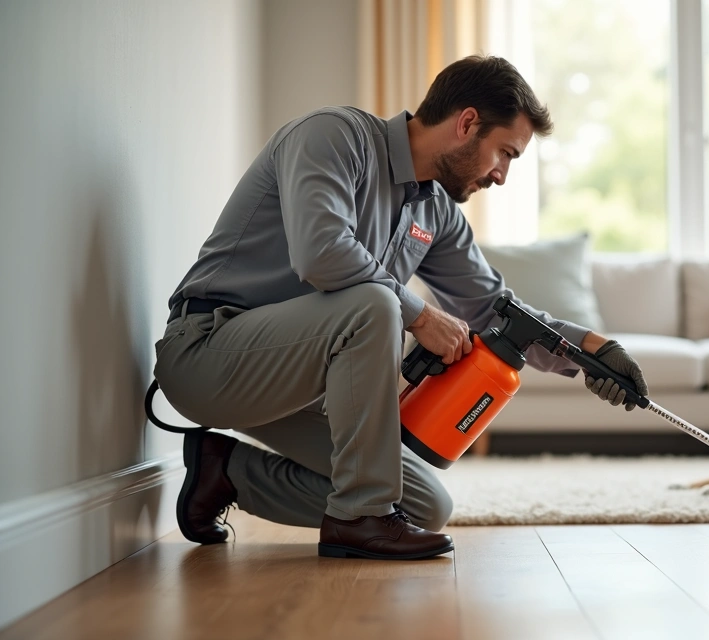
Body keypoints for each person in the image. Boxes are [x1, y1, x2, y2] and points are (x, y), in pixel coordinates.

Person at [152, 55, 649, 561]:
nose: (501, 176)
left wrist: (591, 350)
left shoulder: (436, 212)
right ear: (467, 123)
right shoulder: (333, 136)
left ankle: (225, 474)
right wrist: (422, 316)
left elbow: (497, 310)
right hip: (208, 356)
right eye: (505, 153)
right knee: (375, 303)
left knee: (424, 505)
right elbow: (321, 251)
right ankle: (358, 519)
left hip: (297, 388)